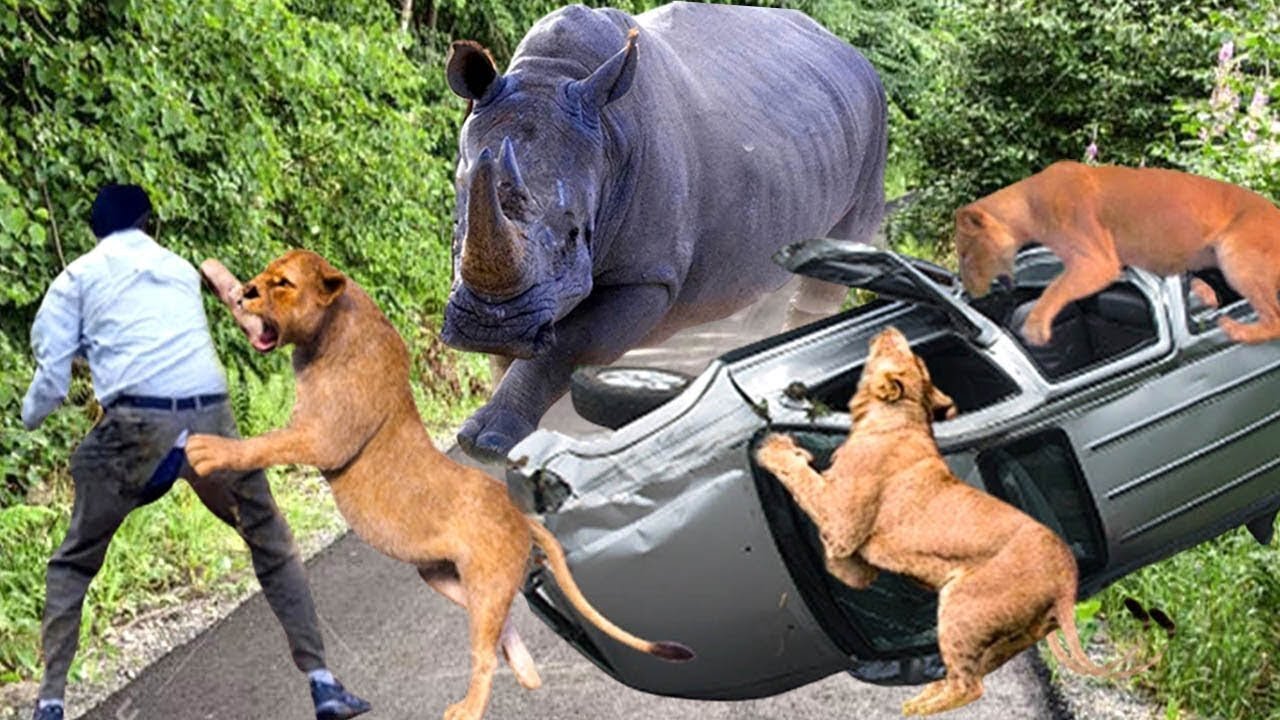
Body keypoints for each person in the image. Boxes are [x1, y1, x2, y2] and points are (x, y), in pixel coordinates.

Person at [21, 184, 371, 720]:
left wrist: (30, 420)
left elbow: (50, 377)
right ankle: (323, 683)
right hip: (210, 419)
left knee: (73, 561)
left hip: (137, 427)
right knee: (270, 538)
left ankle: (49, 706)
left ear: (95, 232)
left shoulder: (77, 278)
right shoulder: (179, 269)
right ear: (149, 226)